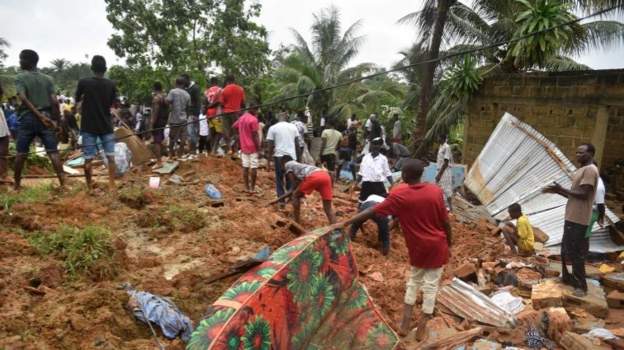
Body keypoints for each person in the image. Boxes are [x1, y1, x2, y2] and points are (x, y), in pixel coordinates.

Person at [334, 159, 451, 338]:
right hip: (437, 246)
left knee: (413, 282)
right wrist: (449, 243)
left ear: (403, 176)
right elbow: (445, 222)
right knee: (431, 286)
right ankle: (421, 327)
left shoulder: (399, 193)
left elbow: (373, 211)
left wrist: (346, 222)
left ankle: (404, 324)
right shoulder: (435, 191)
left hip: (417, 248)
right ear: (421, 175)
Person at [543, 143, 599, 297]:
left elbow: (584, 195)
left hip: (579, 219)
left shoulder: (590, 170)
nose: (577, 155)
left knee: (576, 253)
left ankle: (581, 286)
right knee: (566, 250)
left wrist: (561, 189)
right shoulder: (581, 170)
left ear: (591, 154)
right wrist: (558, 192)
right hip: (572, 217)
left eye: (581, 152)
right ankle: (569, 278)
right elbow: (574, 196)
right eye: (576, 152)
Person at [13, 49, 65, 190]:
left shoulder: (20, 78)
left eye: (21, 59)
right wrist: (57, 122)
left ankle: (16, 186)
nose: (20, 61)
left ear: (28, 61)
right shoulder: (48, 79)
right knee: (53, 152)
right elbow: (54, 102)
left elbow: (23, 98)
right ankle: (63, 184)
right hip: (47, 119)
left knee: (21, 153)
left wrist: (38, 115)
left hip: (27, 118)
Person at [74, 55, 118, 191]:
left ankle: (89, 187)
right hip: (106, 125)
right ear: (105, 69)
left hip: (89, 126)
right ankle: (111, 184)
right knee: (111, 157)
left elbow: (77, 100)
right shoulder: (111, 85)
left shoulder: (84, 83)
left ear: (92, 68)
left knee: (88, 158)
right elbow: (113, 104)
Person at [278, 156, 336, 225]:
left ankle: (296, 222)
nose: (282, 168)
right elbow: (297, 187)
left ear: (283, 163)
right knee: (328, 207)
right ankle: (336, 229)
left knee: (295, 196)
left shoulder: (287, 164)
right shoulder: (298, 167)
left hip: (315, 176)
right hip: (325, 176)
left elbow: (292, 189)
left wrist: (279, 199)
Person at [266, 113, 301, 204]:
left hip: (279, 156)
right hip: (291, 156)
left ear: (278, 118)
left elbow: (270, 146)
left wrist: (269, 161)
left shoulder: (273, 128)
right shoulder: (293, 127)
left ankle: (281, 200)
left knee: (279, 179)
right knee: (290, 178)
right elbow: (297, 144)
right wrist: (298, 159)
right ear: (287, 118)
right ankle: (290, 199)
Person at [233, 105, 261, 193]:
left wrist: (239, 136)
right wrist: (259, 148)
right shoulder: (253, 120)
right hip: (253, 147)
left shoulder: (241, 118)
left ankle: (246, 187)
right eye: (256, 110)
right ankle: (252, 188)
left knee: (245, 167)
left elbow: (234, 126)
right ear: (253, 109)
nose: (257, 112)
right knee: (254, 167)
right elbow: (255, 135)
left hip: (244, 147)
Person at [356, 138, 393, 202]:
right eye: (373, 144)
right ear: (371, 145)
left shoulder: (383, 159)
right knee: (362, 201)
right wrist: (356, 183)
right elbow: (361, 172)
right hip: (366, 184)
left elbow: (387, 173)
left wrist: (392, 184)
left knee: (380, 202)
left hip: (378, 185)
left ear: (380, 146)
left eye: (377, 145)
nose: (375, 146)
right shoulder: (365, 158)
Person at [166, 77, 191, 159]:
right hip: (184, 119)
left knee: (172, 138)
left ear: (176, 83)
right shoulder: (187, 94)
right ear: (183, 84)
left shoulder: (172, 92)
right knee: (183, 138)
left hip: (174, 119)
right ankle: (179, 155)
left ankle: (170, 155)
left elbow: (167, 101)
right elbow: (188, 107)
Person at [221, 74, 245, 154]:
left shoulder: (224, 90)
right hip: (236, 113)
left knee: (226, 131)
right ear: (234, 80)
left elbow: (221, 103)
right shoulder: (240, 89)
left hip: (226, 113)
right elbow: (243, 103)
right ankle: (235, 150)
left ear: (227, 81)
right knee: (236, 132)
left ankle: (229, 149)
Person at [182, 73, 202, 155]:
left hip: (193, 113)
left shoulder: (195, 88)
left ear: (187, 80)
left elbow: (198, 102)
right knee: (190, 132)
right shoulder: (186, 88)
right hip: (187, 113)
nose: (183, 83)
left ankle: (193, 150)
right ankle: (192, 149)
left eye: (184, 81)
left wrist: (196, 114)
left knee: (191, 132)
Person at [150, 82, 169, 164]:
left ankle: (159, 161)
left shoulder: (156, 98)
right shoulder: (165, 97)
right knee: (161, 139)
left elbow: (155, 112)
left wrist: (152, 123)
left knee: (156, 141)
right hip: (164, 121)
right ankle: (163, 157)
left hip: (157, 122)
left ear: (154, 88)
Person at [204, 77, 223, 154]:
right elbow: (220, 101)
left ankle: (211, 149)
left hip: (209, 114)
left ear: (211, 82)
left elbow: (204, 103)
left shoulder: (206, 92)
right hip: (217, 114)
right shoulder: (220, 90)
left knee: (211, 132)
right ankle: (214, 150)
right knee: (218, 132)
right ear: (217, 82)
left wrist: (207, 108)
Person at [435, 134, 454, 211]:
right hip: (439, 170)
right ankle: (443, 207)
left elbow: (446, 163)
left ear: (442, 138)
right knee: (439, 188)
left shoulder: (447, 147)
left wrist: (439, 174)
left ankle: (449, 207)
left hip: (444, 171)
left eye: (438, 137)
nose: (437, 138)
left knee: (446, 189)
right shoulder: (441, 146)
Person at [587, 171, 606, 238]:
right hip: (592, 212)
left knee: (584, 236)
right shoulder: (597, 181)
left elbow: (601, 204)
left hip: (591, 213)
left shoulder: (599, 187)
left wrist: (600, 218)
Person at [0, 82, 10, 184]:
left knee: (3, 155)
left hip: (3, 133)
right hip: (2, 135)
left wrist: (7, 133)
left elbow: (3, 121)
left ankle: (3, 175)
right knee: (3, 155)